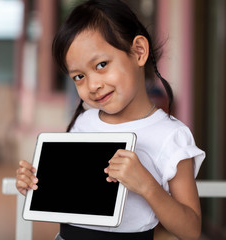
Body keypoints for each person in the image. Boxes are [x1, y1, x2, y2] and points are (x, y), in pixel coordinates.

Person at [16, 0, 205, 239]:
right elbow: (71, 195)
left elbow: (191, 230)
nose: (92, 85)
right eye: (79, 76)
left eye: (102, 65)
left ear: (139, 51)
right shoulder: (83, 123)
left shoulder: (172, 135)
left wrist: (147, 185)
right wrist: (35, 185)